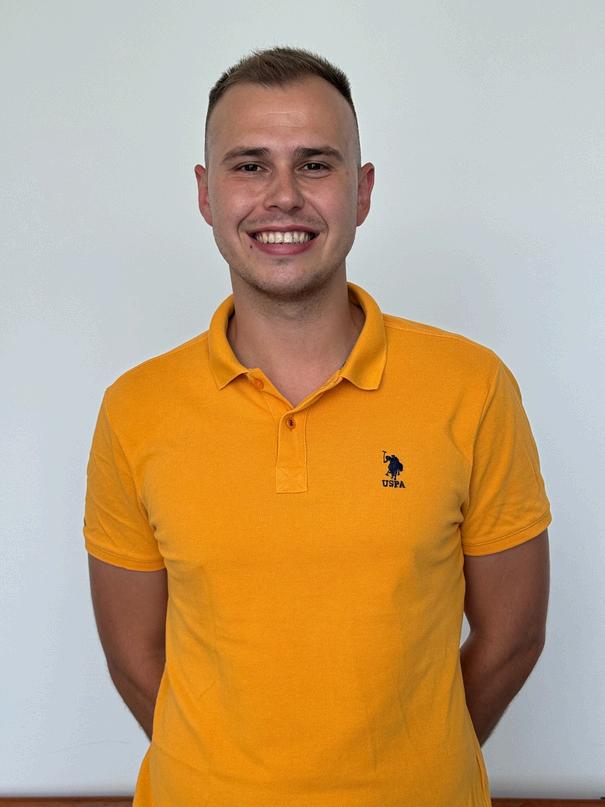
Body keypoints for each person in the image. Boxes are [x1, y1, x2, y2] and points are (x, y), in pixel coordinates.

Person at [83, 46, 552, 807]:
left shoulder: (472, 388)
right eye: (249, 165)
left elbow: (513, 637)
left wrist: (412, 760)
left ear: (361, 192)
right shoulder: (135, 409)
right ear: (205, 194)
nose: (283, 196)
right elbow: (136, 659)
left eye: (314, 165)